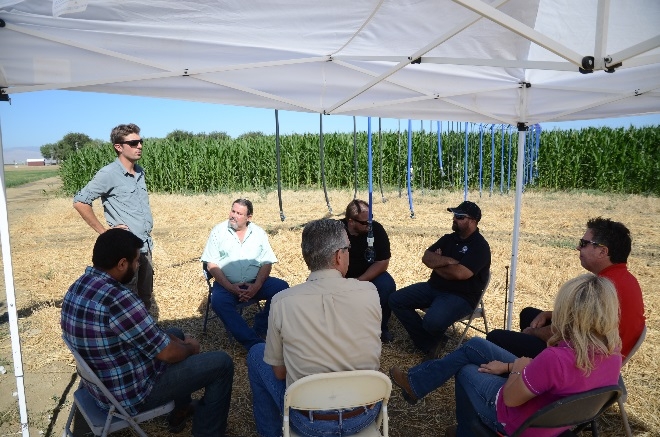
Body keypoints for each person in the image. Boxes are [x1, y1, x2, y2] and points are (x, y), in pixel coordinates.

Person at [390, 274, 622, 437]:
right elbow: (550, 376)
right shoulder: (613, 356)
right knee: (475, 346)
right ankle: (415, 383)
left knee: (467, 369)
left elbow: (510, 399)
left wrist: (519, 368)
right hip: (550, 415)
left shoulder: (556, 359)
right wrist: (510, 367)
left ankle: (466, 432)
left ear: (568, 314)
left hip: (518, 422)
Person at [61, 229, 234, 436]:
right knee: (222, 364)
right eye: (136, 261)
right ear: (122, 264)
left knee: (175, 332)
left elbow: (150, 334)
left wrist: (176, 341)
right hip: (129, 396)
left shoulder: (78, 286)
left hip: (101, 384)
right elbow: (169, 354)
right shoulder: (119, 298)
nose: (138, 265)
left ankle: (181, 409)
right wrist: (190, 348)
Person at [247, 219, 382, 437]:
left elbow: (279, 373)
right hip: (363, 413)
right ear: (339, 256)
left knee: (255, 353)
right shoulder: (369, 292)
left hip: (310, 421)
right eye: (348, 249)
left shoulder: (282, 301)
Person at [487, 217, 645, 359]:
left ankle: (524, 381)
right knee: (530, 314)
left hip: (583, 360)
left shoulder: (599, 290)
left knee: (495, 338)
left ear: (603, 252)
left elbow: (561, 333)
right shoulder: (625, 279)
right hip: (599, 350)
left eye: (584, 243)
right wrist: (550, 314)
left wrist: (531, 332)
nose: (578, 247)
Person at [389, 200, 491, 360]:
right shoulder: (448, 238)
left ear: (473, 221)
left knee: (432, 322)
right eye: (454, 215)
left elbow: (460, 274)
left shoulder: (480, 247)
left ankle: (429, 342)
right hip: (434, 287)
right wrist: (449, 261)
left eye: (459, 216)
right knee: (395, 299)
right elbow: (427, 257)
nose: (454, 219)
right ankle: (429, 343)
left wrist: (438, 263)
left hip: (460, 296)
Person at [73, 123, 156, 311]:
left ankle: (148, 335)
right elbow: (80, 201)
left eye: (140, 141)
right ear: (118, 147)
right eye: (133, 143)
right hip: (125, 251)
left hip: (145, 245)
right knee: (127, 300)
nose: (140, 146)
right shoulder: (108, 174)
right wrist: (104, 233)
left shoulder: (139, 171)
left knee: (145, 296)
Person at [200, 198, 289, 351]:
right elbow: (211, 264)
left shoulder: (258, 233)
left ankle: (260, 327)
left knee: (282, 289)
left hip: (254, 282)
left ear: (249, 218)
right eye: (233, 211)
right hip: (226, 284)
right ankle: (253, 342)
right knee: (218, 302)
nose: (233, 215)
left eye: (239, 213)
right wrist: (230, 287)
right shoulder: (218, 231)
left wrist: (256, 286)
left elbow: (267, 262)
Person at [340, 199, 396, 343]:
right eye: (365, 223)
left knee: (386, 285)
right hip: (339, 275)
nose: (370, 225)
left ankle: (381, 328)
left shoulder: (376, 229)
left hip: (368, 274)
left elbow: (382, 262)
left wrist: (359, 281)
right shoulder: (336, 231)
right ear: (351, 222)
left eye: (371, 219)